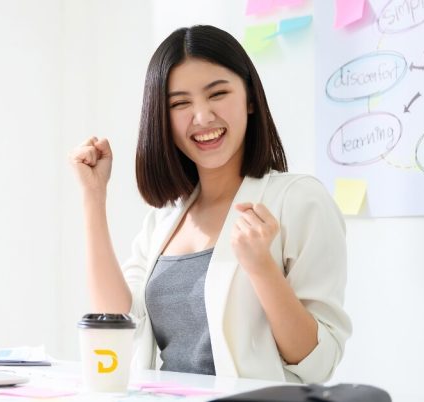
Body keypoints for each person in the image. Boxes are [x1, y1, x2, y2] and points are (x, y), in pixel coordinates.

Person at [68, 25, 351, 384]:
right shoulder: (166, 219)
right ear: (163, 118)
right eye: (180, 103)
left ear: (249, 98)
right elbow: (114, 324)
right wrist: (94, 196)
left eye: (217, 94)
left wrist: (262, 268)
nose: (201, 117)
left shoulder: (299, 200)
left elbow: (316, 362)